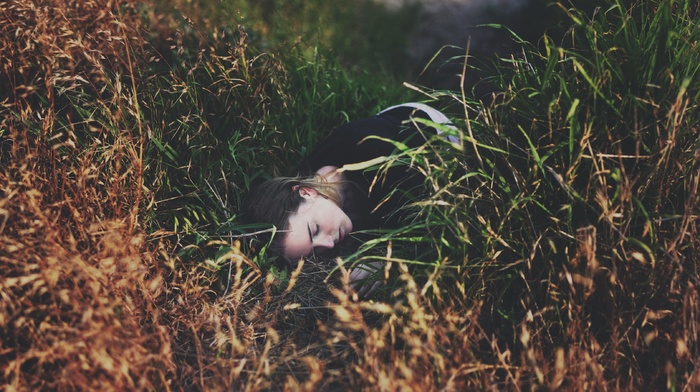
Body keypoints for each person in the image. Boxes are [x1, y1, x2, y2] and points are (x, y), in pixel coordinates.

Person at [243, 102, 457, 297]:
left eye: (315, 230)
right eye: (315, 251)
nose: (328, 244)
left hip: (436, 133)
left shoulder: (378, 157)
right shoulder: (319, 207)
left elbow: (429, 224)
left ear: (307, 192)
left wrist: (383, 259)